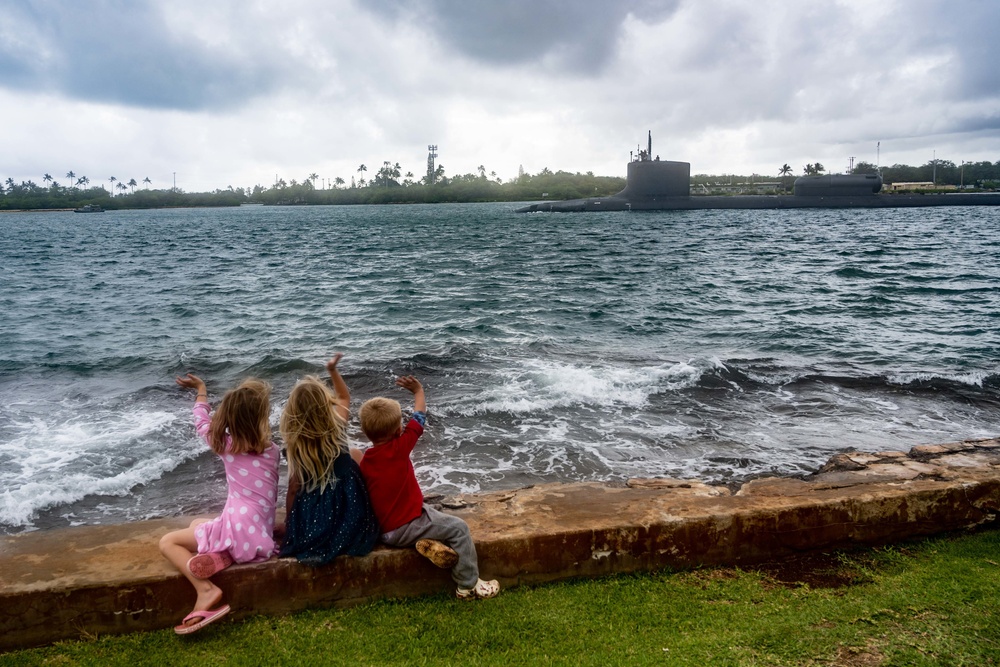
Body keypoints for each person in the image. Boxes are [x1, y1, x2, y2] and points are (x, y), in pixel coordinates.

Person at [359, 375, 500, 599]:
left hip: (385, 530)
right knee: (459, 528)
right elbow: (419, 417)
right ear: (398, 431)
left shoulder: (366, 460)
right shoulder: (400, 447)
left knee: (433, 514)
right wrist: (418, 391)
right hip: (406, 526)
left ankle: (430, 545)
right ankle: (468, 584)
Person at [161, 375, 280, 635]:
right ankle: (224, 554)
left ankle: (206, 590)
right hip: (260, 533)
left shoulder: (226, 445)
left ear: (227, 419)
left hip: (237, 528)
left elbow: (202, 422)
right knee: (197, 525)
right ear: (262, 417)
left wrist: (201, 391)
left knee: (168, 542)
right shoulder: (273, 451)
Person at [277, 354, 380, 563]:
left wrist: (291, 520)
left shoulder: (295, 446)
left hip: (318, 511)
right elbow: (344, 397)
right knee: (354, 456)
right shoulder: (338, 425)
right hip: (348, 504)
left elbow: (294, 488)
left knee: (352, 456)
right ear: (326, 405)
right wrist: (332, 370)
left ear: (293, 412)